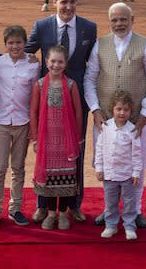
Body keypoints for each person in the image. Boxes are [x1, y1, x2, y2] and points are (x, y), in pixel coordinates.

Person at [84, 2, 146, 230]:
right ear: (109, 22)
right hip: (106, 120)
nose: (119, 24)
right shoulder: (100, 45)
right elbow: (89, 79)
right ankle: (110, 210)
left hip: (136, 119)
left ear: (132, 20)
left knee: (135, 164)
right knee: (108, 164)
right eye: (114, 20)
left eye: (123, 19)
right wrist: (95, 109)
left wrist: (145, 113)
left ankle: (135, 210)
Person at [26, 0, 97, 223]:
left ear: (77, 3)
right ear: (55, 2)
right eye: (63, 2)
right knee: (46, 152)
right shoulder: (42, 26)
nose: (67, 6)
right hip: (48, 101)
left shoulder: (89, 28)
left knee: (75, 151)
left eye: (72, 2)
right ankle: (43, 206)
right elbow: (26, 53)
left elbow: (93, 64)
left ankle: (73, 205)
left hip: (76, 101)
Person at [0, 25, 40, 229]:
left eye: (18, 42)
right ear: (5, 45)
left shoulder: (33, 65)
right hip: (1, 122)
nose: (15, 46)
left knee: (18, 168)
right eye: (11, 43)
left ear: (25, 44)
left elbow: (35, 94)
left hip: (22, 122)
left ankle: (15, 208)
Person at [29, 45, 84, 230]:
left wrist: (77, 139)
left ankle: (62, 214)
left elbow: (78, 113)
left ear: (65, 63)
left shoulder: (71, 85)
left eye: (60, 61)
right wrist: (35, 138)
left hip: (66, 141)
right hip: (47, 140)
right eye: (53, 61)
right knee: (50, 179)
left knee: (67, 177)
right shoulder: (39, 85)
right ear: (46, 62)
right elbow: (34, 111)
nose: (56, 65)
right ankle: (51, 213)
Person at [95, 90, 142, 240]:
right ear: (112, 109)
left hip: (127, 175)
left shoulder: (132, 130)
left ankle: (129, 226)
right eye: (119, 109)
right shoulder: (106, 127)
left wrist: (136, 172)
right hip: (109, 174)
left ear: (130, 111)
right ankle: (111, 225)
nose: (122, 112)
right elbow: (100, 148)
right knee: (110, 202)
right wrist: (99, 168)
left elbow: (136, 153)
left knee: (129, 203)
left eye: (126, 110)